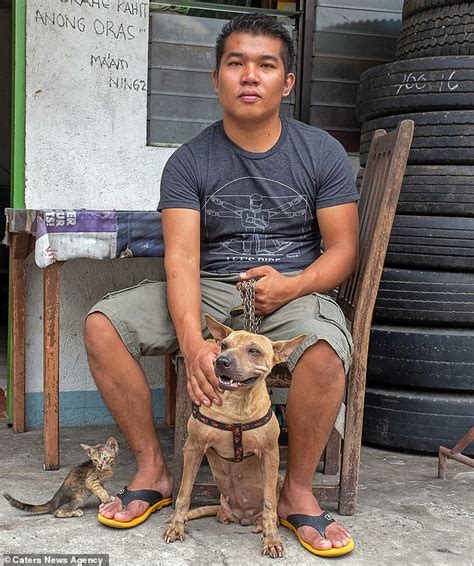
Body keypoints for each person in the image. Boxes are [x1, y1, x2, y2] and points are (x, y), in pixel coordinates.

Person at [84, 12, 358, 556]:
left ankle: (295, 493)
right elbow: (181, 262)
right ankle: (155, 472)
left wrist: (295, 285)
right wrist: (193, 343)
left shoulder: (321, 153)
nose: (250, 76)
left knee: (325, 350)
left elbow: (344, 249)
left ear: (288, 81)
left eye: (265, 65)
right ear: (216, 78)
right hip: (208, 286)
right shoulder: (189, 161)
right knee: (102, 326)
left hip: (290, 289)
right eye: (236, 63)